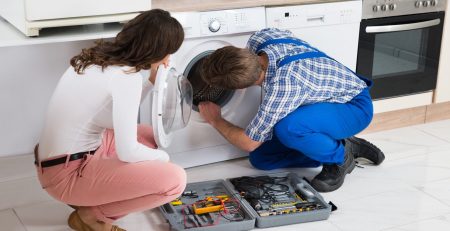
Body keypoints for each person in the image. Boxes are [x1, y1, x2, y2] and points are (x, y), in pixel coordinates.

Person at [35, 9, 186, 231]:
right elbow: (128, 152)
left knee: (147, 135)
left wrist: (150, 83)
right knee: (175, 181)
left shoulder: (97, 59)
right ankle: (93, 216)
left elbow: (108, 114)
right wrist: (162, 158)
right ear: (157, 51)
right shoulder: (127, 78)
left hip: (54, 163)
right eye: (168, 52)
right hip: (67, 175)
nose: (169, 58)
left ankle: (91, 197)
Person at [198, 28, 385, 193]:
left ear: (240, 89)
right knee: (261, 159)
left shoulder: (284, 85)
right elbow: (254, 148)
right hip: (322, 100)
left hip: (353, 107)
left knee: (289, 128)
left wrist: (216, 119)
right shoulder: (260, 39)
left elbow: (248, 142)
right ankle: (334, 144)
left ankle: (340, 156)